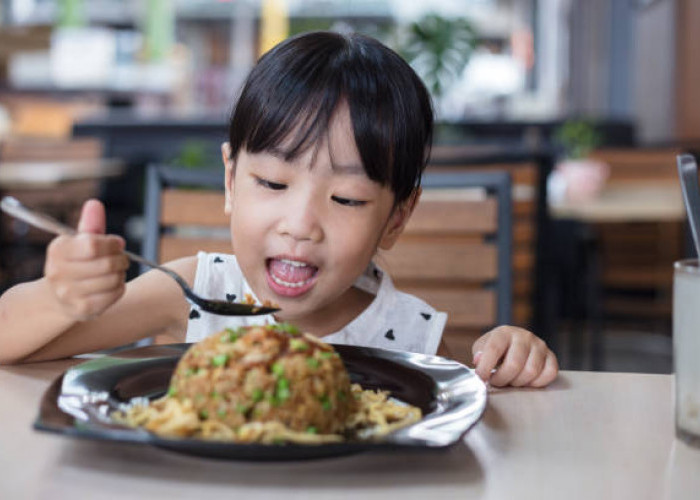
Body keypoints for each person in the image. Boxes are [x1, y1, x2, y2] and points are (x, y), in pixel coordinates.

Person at [0, 31, 557, 388]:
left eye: (347, 199)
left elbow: (478, 401)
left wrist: (510, 356)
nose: (300, 225)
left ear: (396, 218)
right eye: (271, 182)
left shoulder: (412, 338)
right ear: (230, 181)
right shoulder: (199, 292)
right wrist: (62, 296)